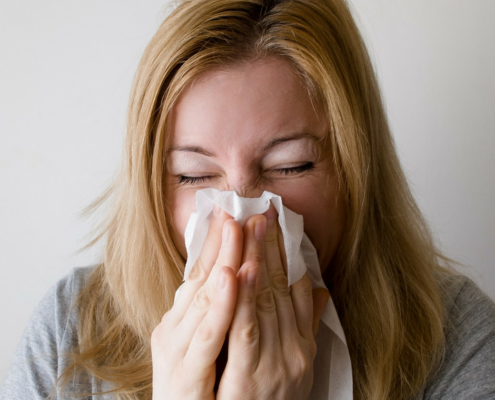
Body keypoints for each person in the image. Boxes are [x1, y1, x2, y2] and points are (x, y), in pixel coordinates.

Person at [2, 0, 495, 399]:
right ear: (152, 184)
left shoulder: (454, 341)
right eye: (194, 176)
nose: (242, 213)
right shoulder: (71, 332)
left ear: (356, 171)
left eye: (292, 166)